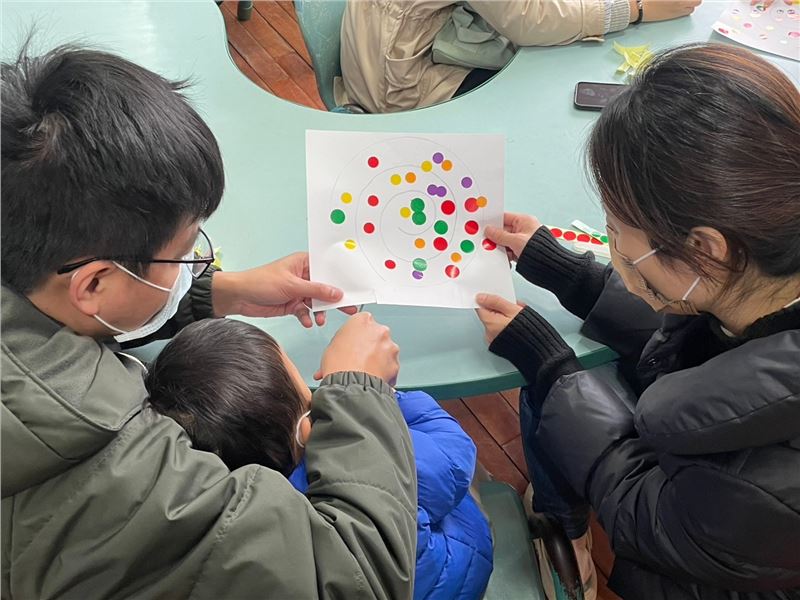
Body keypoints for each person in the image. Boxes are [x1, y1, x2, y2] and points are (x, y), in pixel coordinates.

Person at [1, 44, 418, 598]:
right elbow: (353, 577)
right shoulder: (117, 480)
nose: (193, 264)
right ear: (95, 284)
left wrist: (216, 293)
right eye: (183, 255)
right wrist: (360, 393)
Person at [474, 43, 800, 599]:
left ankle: (564, 536)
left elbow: (636, 504)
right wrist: (571, 275)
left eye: (616, 230)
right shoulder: (764, 277)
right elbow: (700, 335)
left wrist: (551, 368)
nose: (612, 245)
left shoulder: (763, 484)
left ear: (704, 249)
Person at [144, 318, 494, 600]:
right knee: (469, 483)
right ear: (306, 429)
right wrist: (376, 397)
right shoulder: (383, 462)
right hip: (454, 564)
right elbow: (454, 448)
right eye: (307, 393)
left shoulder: (233, 517)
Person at [337, 0, 702, 113]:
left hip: (429, 39)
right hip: (399, 84)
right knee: (547, 99)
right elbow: (528, 20)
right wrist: (635, 9)